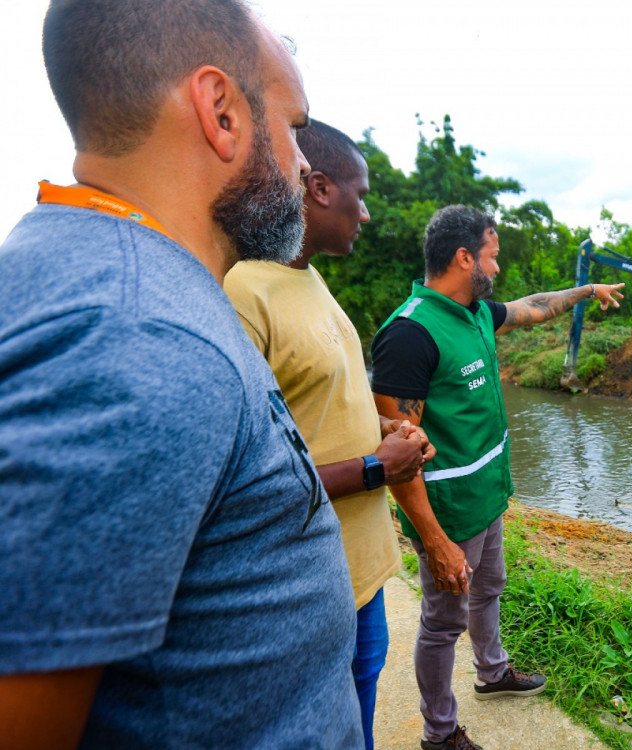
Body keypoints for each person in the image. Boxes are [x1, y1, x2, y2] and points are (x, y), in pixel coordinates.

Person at [0, 2, 364, 747]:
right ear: (221, 112)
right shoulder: (141, 337)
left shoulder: (116, 280)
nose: (302, 164)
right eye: (294, 128)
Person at [371, 205, 624, 750]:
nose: (498, 266)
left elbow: (534, 308)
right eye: (493, 255)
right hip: (448, 512)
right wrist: (435, 541)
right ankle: (439, 734)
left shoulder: (477, 310)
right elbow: (398, 454)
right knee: (442, 624)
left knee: (490, 589)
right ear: (465, 257)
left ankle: (493, 673)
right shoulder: (411, 334)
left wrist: (585, 291)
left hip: (487, 497)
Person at [224, 119, 432, 749]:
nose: (365, 213)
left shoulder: (310, 278)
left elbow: (322, 403)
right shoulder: (242, 291)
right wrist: (378, 466)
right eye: (360, 195)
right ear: (317, 188)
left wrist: (386, 426)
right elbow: (245, 484)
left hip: (364, 576)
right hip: (313, 587)